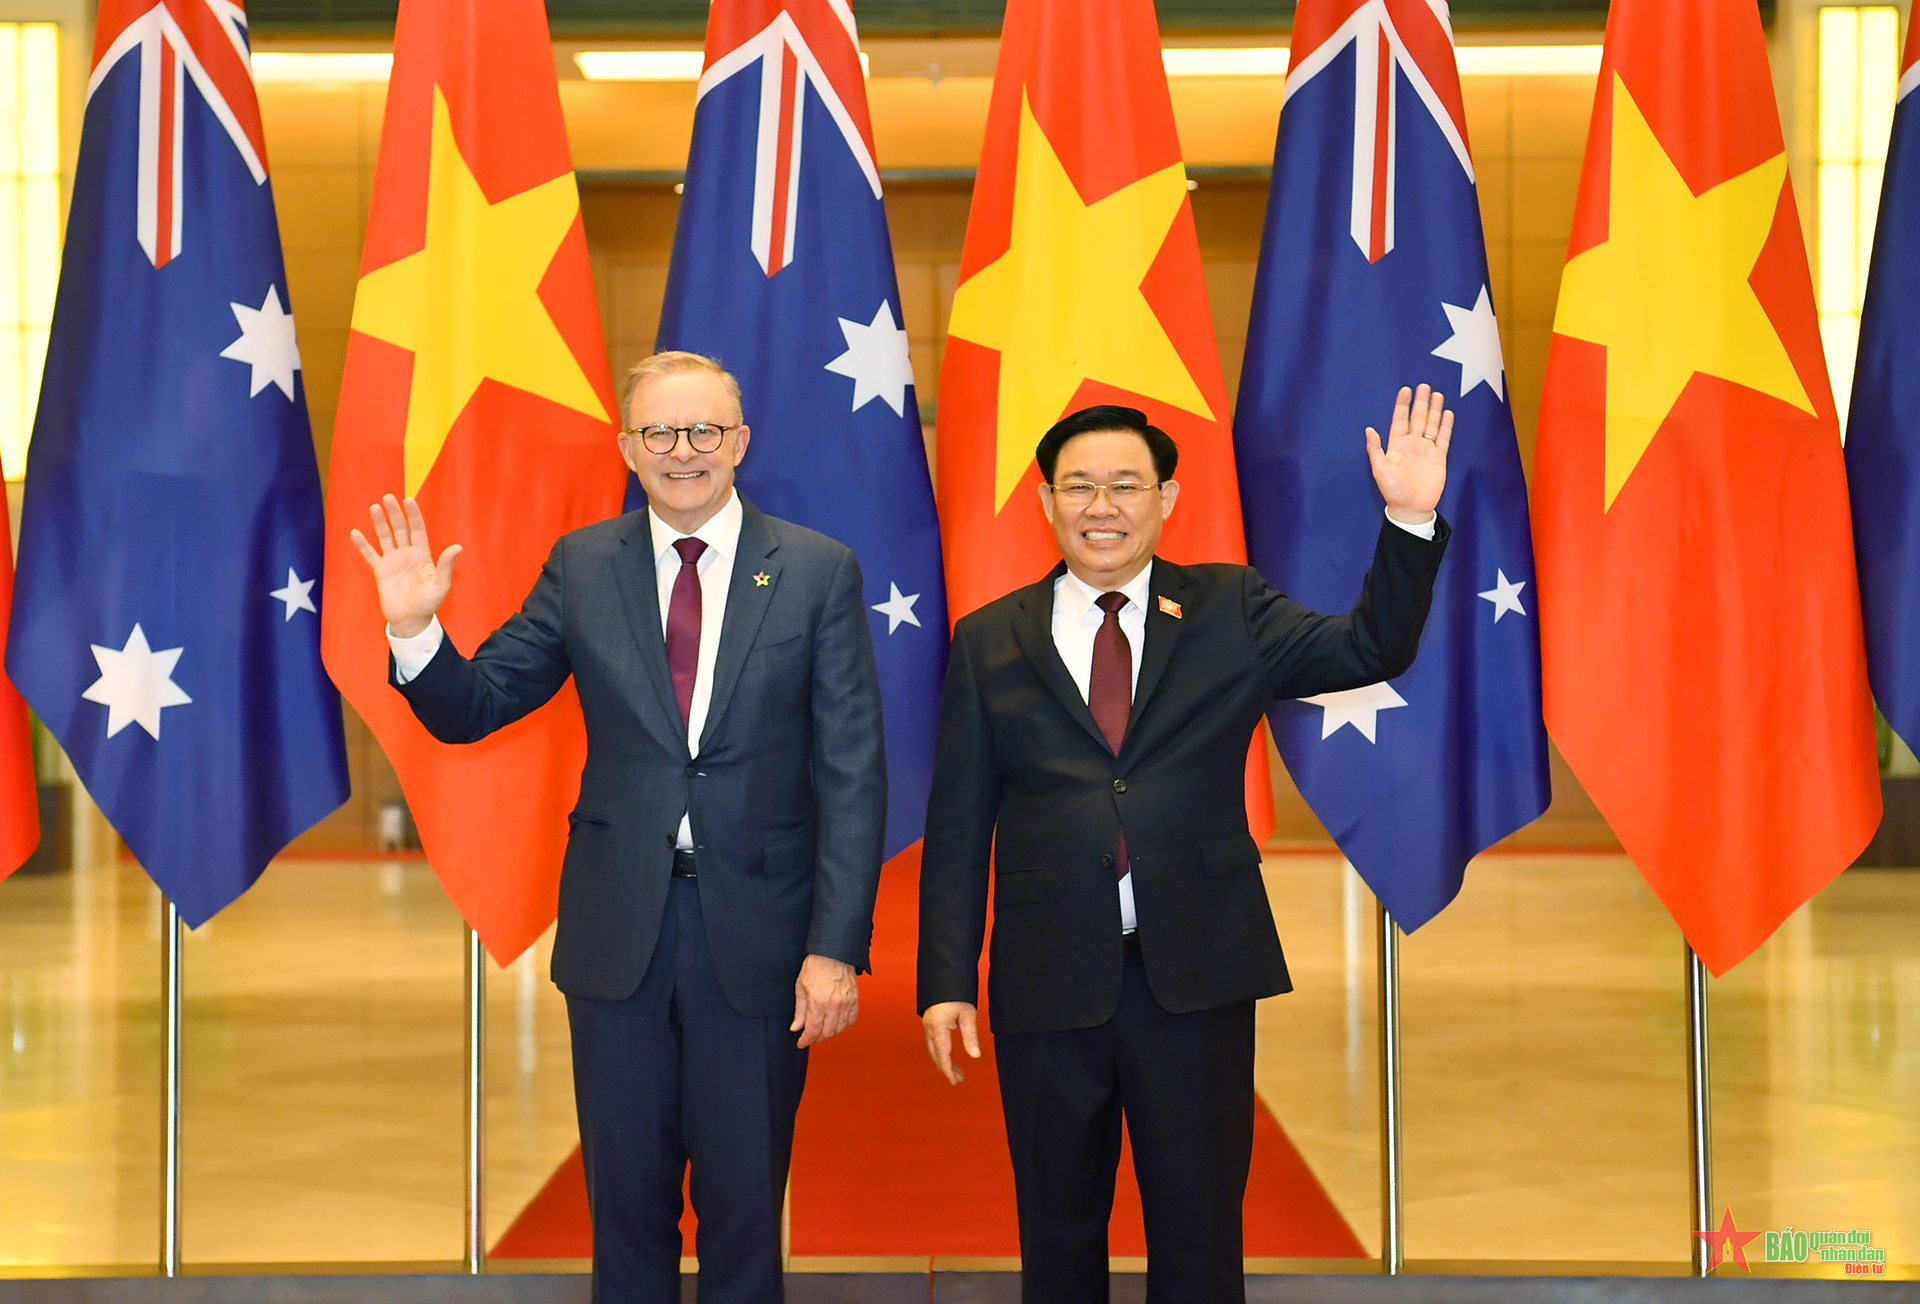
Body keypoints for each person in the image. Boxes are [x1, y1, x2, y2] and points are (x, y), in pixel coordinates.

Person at [351, 351, 887, 1304]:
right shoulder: (583, 565)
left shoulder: (815, 571)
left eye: (705, 432)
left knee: (744, 1210)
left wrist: (836, 948)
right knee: (626, 1214)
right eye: (660, 434)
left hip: (759, 940)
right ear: (627, 448)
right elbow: (476, 705)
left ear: (740, 443)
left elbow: (852, 772)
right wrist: (413, 633)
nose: (684, 452)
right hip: (617, 938)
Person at [917, 390, 1452, 1303]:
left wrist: (1407, 517)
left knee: (1201, 1234)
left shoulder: (1227, 607)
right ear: (1045, 502)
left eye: (1126, 485)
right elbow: (961, 821)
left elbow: (1369, 648)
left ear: (1167, 498)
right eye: (1079, 486)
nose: (1102, 507)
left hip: (1197, 972)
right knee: (1057, 1231)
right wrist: (945, 981)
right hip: (1049, 977)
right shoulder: (989, 638)